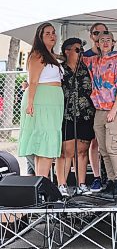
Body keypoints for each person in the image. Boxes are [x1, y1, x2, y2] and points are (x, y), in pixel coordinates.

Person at [85, 31, 117, 196]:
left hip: (116, 109)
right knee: (103, 149)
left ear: (113, 42)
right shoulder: (94, 61)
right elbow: (72, 59)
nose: (105, 43)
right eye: (101, 40)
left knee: (113, 147)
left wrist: (114, 109)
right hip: (100, 109)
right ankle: (111, 180)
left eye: (108, 40)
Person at [18, 22, 64, 178]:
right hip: (41, 99)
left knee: (46, 143)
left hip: (52, 101)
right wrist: (30, 103)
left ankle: (41, 183)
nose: (52, 36)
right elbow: (33, 81)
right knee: (44, 143)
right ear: (40, 37)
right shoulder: (38, 55)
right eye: (47, 33)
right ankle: (43, 183)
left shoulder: (51, 55)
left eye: (53, 33)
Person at [55, 38, 95, 196]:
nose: (81, 53)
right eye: (77, 50)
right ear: (67, 51)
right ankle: (62, 185)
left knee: (82, 151)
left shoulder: (87, 68)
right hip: (66, 115)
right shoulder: (60, 70)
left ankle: (81, 184)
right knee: (66, 151)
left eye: (82, 51)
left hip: (85, 114)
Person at [84, 22, 109, 193]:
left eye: (104, 32)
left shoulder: (114, 56)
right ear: (91, 36)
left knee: (110, 142)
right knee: (94, 142)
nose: (100, 35)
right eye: (96, 32)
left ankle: (113, 175)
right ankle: (97, 177)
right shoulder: (84, 56)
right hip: (91, 104)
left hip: (109, 105)